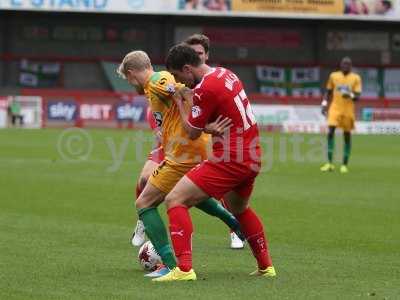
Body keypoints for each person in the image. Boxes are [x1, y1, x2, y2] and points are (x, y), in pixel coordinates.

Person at [153, 44, 275, 282]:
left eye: (178, 76)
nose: (181, 82)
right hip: (252, 156)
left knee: (174, 199)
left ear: (187, 68)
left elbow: (191, 132)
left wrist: (179, 100)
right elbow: (216, 115)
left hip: (229, 159)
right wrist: (207, 125)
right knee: (239, 208)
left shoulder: (204, 89)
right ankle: (266, 266)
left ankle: (184, 270)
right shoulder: (226, 73)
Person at [117, 50, 244, 278]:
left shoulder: (157, 80)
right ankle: (234, 222)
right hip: (189, 149)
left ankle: (170, 265)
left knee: (145, 203)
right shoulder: (152, 86)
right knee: (182, 194)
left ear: (131, 73)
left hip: (184, 152)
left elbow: (183, 91)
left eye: (127, 78)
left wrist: (202, 125)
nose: (129, 83)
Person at [185, 33, 244, 249]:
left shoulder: (215, 81)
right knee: (164, 187)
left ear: (207, 55)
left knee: (224, 190)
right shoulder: (183, 81)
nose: (195, 57)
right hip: (183, 143)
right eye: (191, 54)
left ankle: (235, 231)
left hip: (211, 142)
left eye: (199, 53)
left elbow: (224, 119)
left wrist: (206, 128)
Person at [320, 57, 362, 173]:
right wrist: (324, 104)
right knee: (330, 131)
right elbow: (328, 91)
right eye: (344, 64)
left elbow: (358, 96)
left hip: (348, 110)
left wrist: (350, 95)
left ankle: (344, 164)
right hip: (335, 108)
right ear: (340, 65)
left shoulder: (355, 78)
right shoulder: (334, 76)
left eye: (348, 64)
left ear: (351, 66)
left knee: (347, 135)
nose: (345, 66)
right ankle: (329, 163)